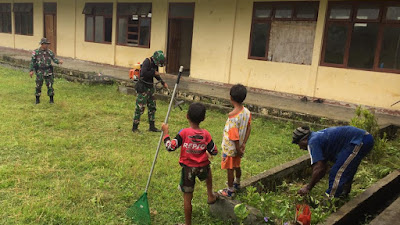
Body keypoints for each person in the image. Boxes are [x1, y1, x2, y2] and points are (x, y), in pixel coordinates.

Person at [161, 102, 218, 225]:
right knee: (208, 170)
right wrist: (206, 150)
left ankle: (188, 224)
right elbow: (214, 151)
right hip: (203, 166)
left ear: (187, 116)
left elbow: (170, 147)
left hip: (188, 170)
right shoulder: (206, 134)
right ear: (203, 118)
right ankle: (210, 194)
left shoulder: (184, 133)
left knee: (187, 197)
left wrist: (166, 133)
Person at [292, 126, 374, 198]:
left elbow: (319, 168)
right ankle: (343, 194)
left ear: (304, 139)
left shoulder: (312, 142)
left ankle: (330, 199)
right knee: (346, 168)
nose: (300, 147)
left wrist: (308, 187)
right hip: (362, 138)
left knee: (337, 172)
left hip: (358, 140)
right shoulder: (317, 137)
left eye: (298, 144)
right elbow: (323, 168)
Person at [218, 84, 252, 198]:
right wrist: (243, 145)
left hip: (231, 149)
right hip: (239, 147)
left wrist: (238, 149)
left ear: (231, 98)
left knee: (230, 169)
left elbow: (234, 137)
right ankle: (237, 183)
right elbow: (248, 128)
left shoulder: (232, 117)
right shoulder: (247, 112)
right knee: (237, 166)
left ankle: (230, 190)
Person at [132, 50, 168, 132]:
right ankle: (135, 127)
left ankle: (152, 127)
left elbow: (156, 74)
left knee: (152, 107)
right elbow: (144, 73)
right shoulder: (147, 61)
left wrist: (162, 82)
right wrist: (153, 72)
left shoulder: (155, 64)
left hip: (150, 87)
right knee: (140, 108)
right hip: (143, 88)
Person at [29, 38, 63, 104]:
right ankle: (37, 99)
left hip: (48, 71)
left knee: (50, 86)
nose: (47, 45)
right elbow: (32, 62)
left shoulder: (49, 52)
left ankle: (51, 100)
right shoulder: (36, 52)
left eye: (48, 44)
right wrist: (31, 70)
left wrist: (59, 62)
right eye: (45, 44)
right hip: (40, 71)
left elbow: (54, 59)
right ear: (42, 44)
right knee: (38, 85)